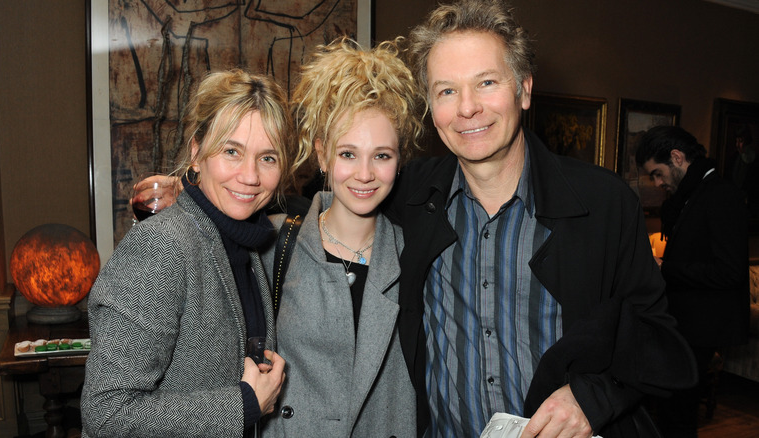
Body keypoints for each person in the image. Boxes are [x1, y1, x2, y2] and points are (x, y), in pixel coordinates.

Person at [383, 1, 698, 437]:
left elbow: (659, 342)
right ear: (431, 106)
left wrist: (593, 396)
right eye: (446, 90)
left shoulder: (604, 204)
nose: (467, 108)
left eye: (487, 82)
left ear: (524, 90)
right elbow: (340, 192)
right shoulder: (410, 197)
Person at [81, 69, 297, 437]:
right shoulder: (161, 247)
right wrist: (243, 404)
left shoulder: (249, 245)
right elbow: (106, 412)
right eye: (232, 151)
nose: (250, 176)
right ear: (197, 154)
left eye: (268, 158)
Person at [259, 37, 423, 437]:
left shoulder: (417, 255)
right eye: (348, 154)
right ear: (322, 154)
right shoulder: (272, 244)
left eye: (382, 155)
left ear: (399, 161)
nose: (364, 174)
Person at [635, 125, 749, 437]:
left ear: (677, 157)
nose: (658, 183)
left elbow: (730, 271)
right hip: (683, 322)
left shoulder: (721, 194)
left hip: (701, 326)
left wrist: (666, 268)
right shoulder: (692, 194)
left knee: (678, 414)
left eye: (658, 173)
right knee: (670, 409)